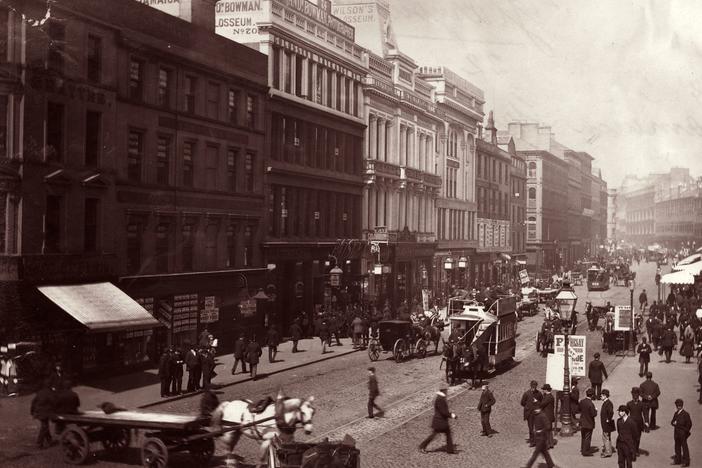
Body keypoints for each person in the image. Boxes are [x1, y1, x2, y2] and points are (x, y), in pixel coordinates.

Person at [418, 387, 457, 454]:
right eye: (446, 390)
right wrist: (452, 415)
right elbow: (443, 412)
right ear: (444, 390)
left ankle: (450, 450)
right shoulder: (440, 399)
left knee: (446, 434)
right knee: (435, 435)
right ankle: (422, 446)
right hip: (440, 422)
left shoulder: (440, 398)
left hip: (440, 421)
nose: (447, 392)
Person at [30, 379, 56, 449]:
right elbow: (53, 402)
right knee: (44, 427)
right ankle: (39, 443)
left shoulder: (40, 392)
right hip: (44, 412)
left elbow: (33, 402)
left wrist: (32, 412)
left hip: (38, 412)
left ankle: (49, 441)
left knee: (45, 425)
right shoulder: (49, 392)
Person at [671, 398, 692, 467]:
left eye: (679, 405)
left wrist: (685, 431)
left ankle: (686, 462)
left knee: (684, 447)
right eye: (677, 405)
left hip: (682, 433)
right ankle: (678, 460)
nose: (678, 406)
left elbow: (689, 424)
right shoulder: (676, 413)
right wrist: (674, 423)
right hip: (676, 433)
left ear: (682, 405)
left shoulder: (686, 414)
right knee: (677, 447)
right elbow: (672, 422)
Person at [520, 380, 541, 446]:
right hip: (529, 414)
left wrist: (537, 402)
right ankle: (532, 441)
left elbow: (541, 402)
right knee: (531, 428)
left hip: (536, 413)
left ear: (536, 386)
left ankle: (537, 440)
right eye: (533, 386)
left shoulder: (539, 393)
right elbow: (522, 402)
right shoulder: (526, 393)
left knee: (537, 427)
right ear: (531, 386)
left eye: (535, 386)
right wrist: (527, 407)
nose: (534, 388)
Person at [626, 387, 644, 456]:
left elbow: (645, 413)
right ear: (632, 394)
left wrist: (646, 422)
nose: (635, 396)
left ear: (639, 395)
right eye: (634, 394)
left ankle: (636, 449)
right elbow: (626, 413)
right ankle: (632, 450)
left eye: (637, 394)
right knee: (631, 437)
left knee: (638, 437)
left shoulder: (642, 404)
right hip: (631, 423)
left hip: (639, 424)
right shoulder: (629, 404)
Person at [579, 388, 597, 456]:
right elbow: (593, 414)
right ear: (592, 395)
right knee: (588, 437)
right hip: (589, 423)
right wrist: (596, 410)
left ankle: (583, 448)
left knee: (583, 436)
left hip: (582, 422)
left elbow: (579, 409)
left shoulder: (582, 401)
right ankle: (586, 451)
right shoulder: (591, 404)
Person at [600, 389, 615, 458]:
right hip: (605, 423)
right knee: (607, 436)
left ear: (605, 396)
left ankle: (608, 452)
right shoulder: (607, 402)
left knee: (605, 437)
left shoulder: (608, 403)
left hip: (606, 424)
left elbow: (611, 412)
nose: (601, 397)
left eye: (602, 395)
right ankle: (608, 450)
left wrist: (608, 419)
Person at [540, 384, 556, 448]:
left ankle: (547, 444)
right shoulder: (550, 396)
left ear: (546, 390)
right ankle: (551, 443)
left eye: (543, 389)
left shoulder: (548, 397)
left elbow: (542, 404)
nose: (543, 391)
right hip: (550, 415)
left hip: (547, 416)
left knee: (546, 430)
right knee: (549, 430)